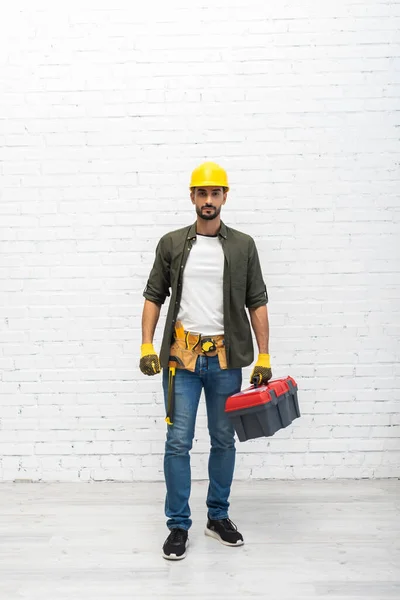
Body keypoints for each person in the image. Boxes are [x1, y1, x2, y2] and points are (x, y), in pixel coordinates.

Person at [139, 161, 272, 560]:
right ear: (192, 197)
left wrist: (263, 354)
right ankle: (178, 526)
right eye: (202, 193)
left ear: (225, 197)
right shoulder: (173, 244)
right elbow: (153, 295)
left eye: (216, 193)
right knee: (178, 442)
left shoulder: (243, 246)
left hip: (226, 359)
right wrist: (147, 345)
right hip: (182, 358)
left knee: (222, 439)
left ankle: (217, 517)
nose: (209, 200)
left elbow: (257, 301)